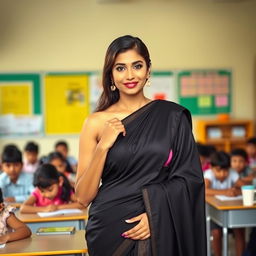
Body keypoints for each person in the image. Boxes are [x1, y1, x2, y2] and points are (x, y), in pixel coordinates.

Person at [75, 35, 206, 256]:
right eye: (120, 68)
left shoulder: (172, 117)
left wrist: (156, 215)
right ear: (111, 75)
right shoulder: (95, 122)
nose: (129, 75)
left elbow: (190, 179)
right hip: (108, 227)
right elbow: (82, 197)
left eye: (137, 66)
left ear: (148, 70)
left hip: (155, 226)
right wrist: (103, 146)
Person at [204, 151, 245, 256]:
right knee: (216, 233)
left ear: (229, 168)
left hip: (231, 211)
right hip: (213, 213)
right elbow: (204, 190)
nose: (222, 174)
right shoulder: (208, 174)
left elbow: (244, 188)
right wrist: (226, 192)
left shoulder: (233, 173)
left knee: (239, 229)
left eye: (225, 170)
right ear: (212, 168)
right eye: (218, 171)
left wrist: (236, 192)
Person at [20, 164, 84, 213]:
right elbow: (23, 208)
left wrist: (58, 207)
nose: (46, 194)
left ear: (60, 181)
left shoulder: (64, 190)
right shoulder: (37, 193)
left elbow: (82, 204)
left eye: (50, 190)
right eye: (42, 191)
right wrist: (44, 209)